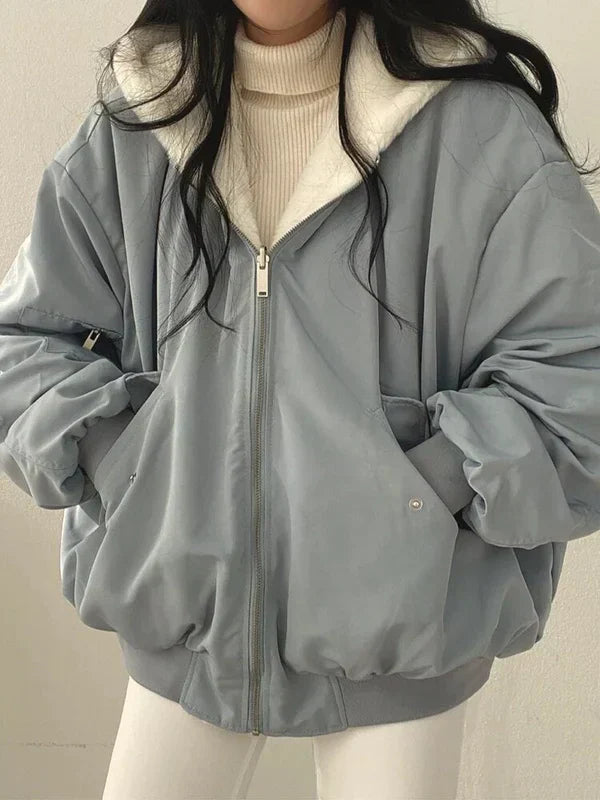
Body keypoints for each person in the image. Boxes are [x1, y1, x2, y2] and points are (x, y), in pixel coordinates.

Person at [2, 1, 600, 798]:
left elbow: (576, 378)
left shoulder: (477, 128)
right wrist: (132, 465)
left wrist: (426, 493)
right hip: (185, 621)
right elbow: (23, 343)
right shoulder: (143, 117)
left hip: (402, 637)